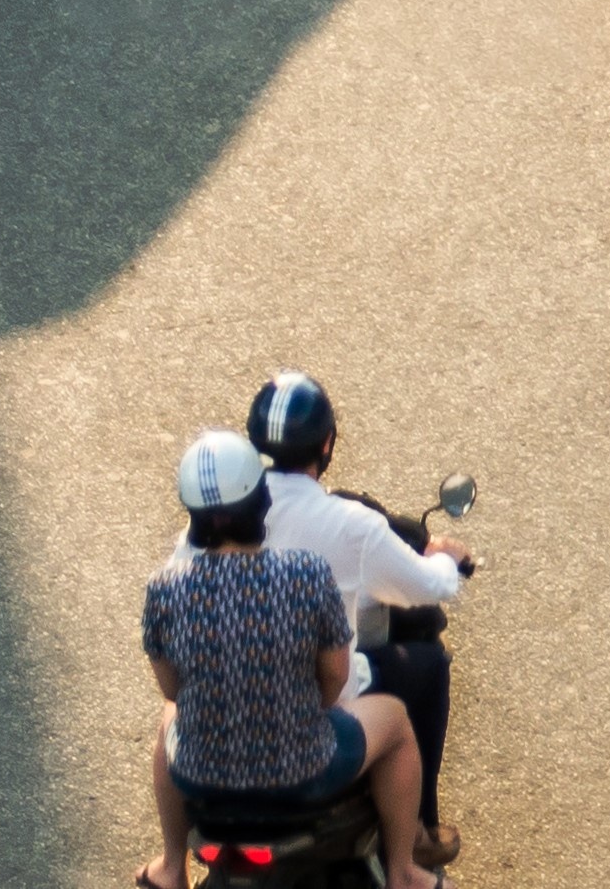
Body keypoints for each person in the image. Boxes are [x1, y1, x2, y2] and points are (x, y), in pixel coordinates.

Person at [143, 429, 439, 889]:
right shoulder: (305, 574)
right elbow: (335, 675)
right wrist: (301, 709)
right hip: (305, 770)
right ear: (259, 503)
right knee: (397, 722)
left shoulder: (164, 588)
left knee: (169, 717)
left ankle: (170, 868)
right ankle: (404, 871)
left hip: (202, 776)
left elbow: (172, 688)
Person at [239, 374, 479, 872]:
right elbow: (426, 587)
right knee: (423, 669)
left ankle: (170, 863)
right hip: (311, 730)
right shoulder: (348, 526)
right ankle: (412, 849)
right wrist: (446, 560)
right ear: (326, 443)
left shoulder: (215, 520)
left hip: (226, 726)